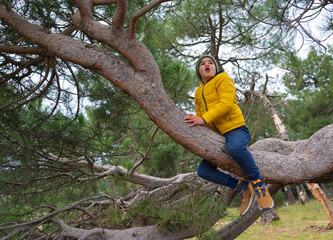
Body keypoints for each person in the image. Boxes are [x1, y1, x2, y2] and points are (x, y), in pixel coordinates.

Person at [184, 55, 274, 216]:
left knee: (234, 147)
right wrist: (197, 122)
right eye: (203, 64)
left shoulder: (223, 79)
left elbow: (226, 104)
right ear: (199, 71)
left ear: (215, 67)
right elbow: (199, 115)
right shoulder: (198, 92)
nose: (207, 65)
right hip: (217, 137)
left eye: (211, 63)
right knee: (203, 171)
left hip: (236, 130)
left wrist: (203, 119)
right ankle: (241, 187)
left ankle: (258, 184)